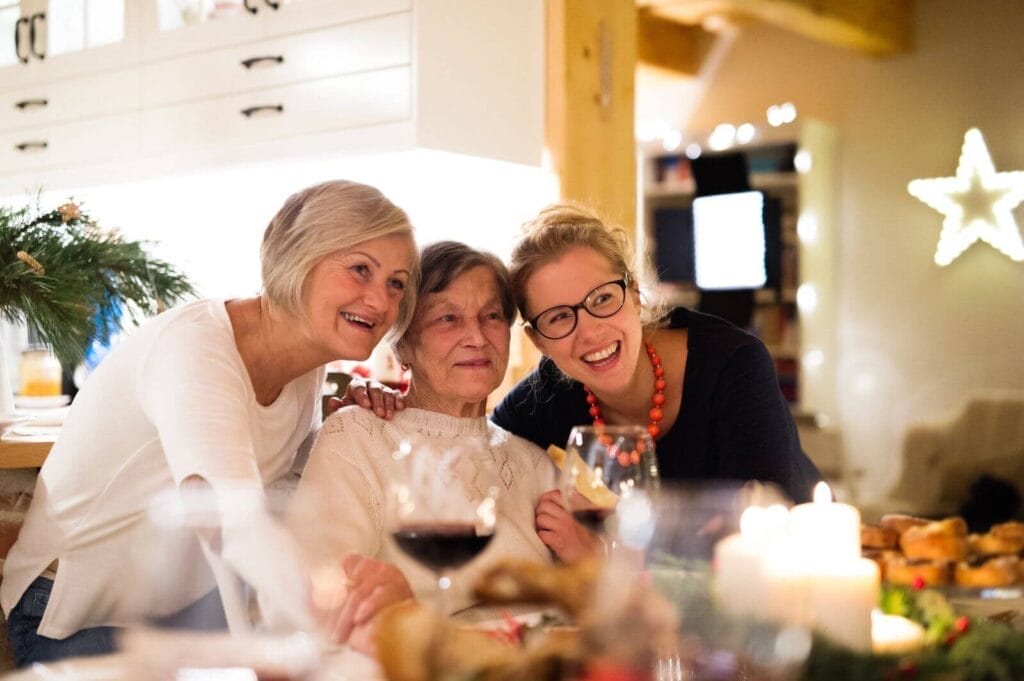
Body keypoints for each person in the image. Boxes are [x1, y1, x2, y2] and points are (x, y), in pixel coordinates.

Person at [1, 180, 418, 667]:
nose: (380, 300)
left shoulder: (306, 361)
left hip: (177, 611)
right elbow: (230, 521)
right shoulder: (195, 350)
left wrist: (345, 418)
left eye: (396, 282)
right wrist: (328, 625)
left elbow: (274, 477)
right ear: (297, 257)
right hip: (69, 614)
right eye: (360, 269)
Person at [346, 204, 821, 562]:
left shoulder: (732, 364)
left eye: (602, 299)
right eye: (558, 317)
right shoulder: (544, 402)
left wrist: (602, 556)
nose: (589, 330)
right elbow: (466, 438)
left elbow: (767, 542)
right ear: (537, 340)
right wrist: (389, 404)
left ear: (634, 295)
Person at [291, 241, 555, 652]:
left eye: (491, 316)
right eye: (448, 318)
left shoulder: (534, 462)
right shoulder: (359, 436)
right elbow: (321, 599)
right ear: (402, 343)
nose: (476, 337)